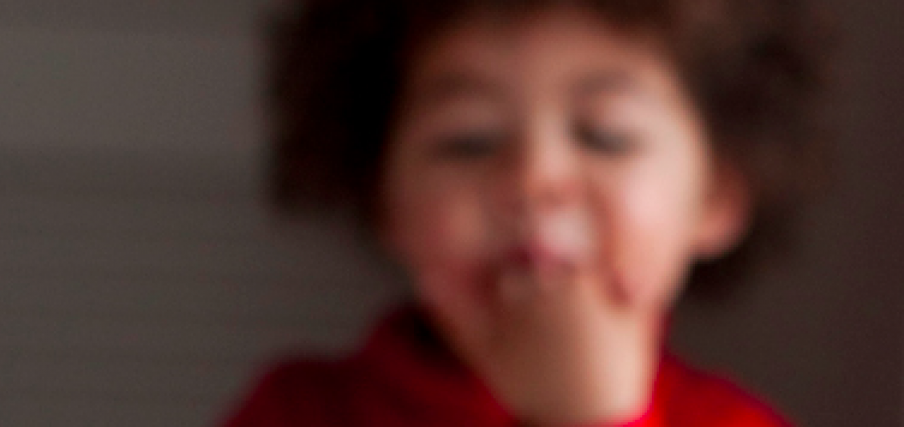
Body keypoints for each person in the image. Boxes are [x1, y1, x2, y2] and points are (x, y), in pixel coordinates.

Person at [222, 0, 829, 426]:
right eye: (470, 141)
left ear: (716, 197)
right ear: (382, 197)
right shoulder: (297, 412)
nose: (535, 180)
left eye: (605, 136)